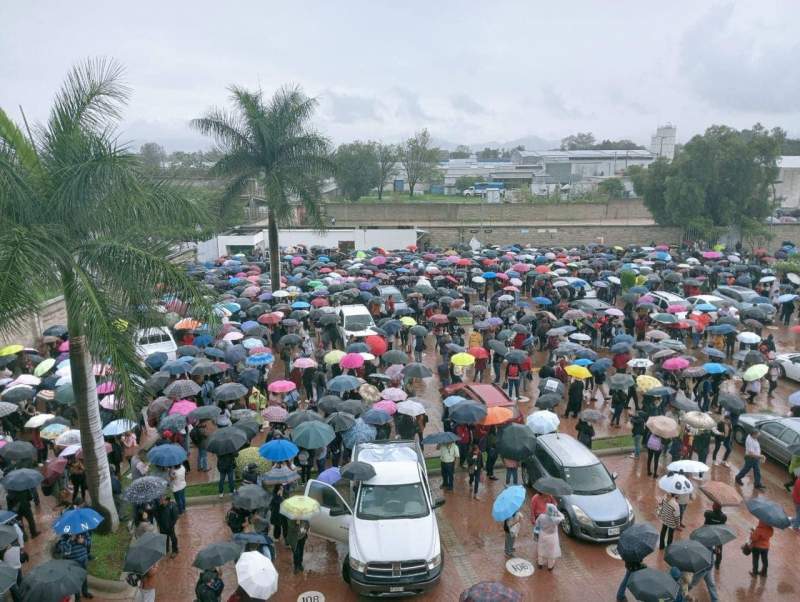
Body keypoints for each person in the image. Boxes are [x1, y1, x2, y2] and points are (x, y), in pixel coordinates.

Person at [59, 533, 93, 599]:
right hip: (73, 562)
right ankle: (77, 597)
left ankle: (85, 592)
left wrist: (83, 541)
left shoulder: (83, 530)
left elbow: (89, 543)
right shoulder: (65, 535)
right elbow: (64, 550)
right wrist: (70, 540)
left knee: (84, 577)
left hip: (83, 559)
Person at [534, 503, 564, 570]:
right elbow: (562, 517)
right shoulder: (556, 520)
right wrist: (557, 511)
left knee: (541, 549)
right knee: (551, 552)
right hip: (552, 537)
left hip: (543, 535)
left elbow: (537, 524)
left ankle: (540, 564)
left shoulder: (541, 516)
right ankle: (550, 566)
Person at [703, 503, 727, 568]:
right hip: (718, 535)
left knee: (707, 548)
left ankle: (707, 561)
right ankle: (717, 564)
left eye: (713, 505)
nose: (712, 506)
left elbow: (705, 513)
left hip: (709, 534)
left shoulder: (708, 514)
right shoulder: (724, 517)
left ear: (714, 507)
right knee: (719, 549)